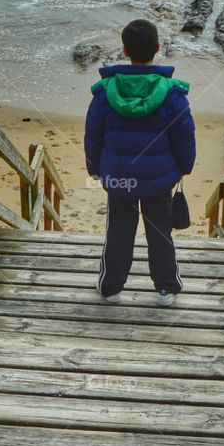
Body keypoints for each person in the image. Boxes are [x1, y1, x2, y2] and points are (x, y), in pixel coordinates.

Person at [84, 18, 196, 306]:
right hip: (159, 179)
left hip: (120, 177)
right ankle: (166, 288)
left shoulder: (105, 93)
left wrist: (94, 169)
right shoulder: (172, 95)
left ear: (125, 50)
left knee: (119, 231)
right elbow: (184, 137)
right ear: (158, 49)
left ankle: (111, 288)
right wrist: (184, 166)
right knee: (160, 232)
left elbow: (93, 136)